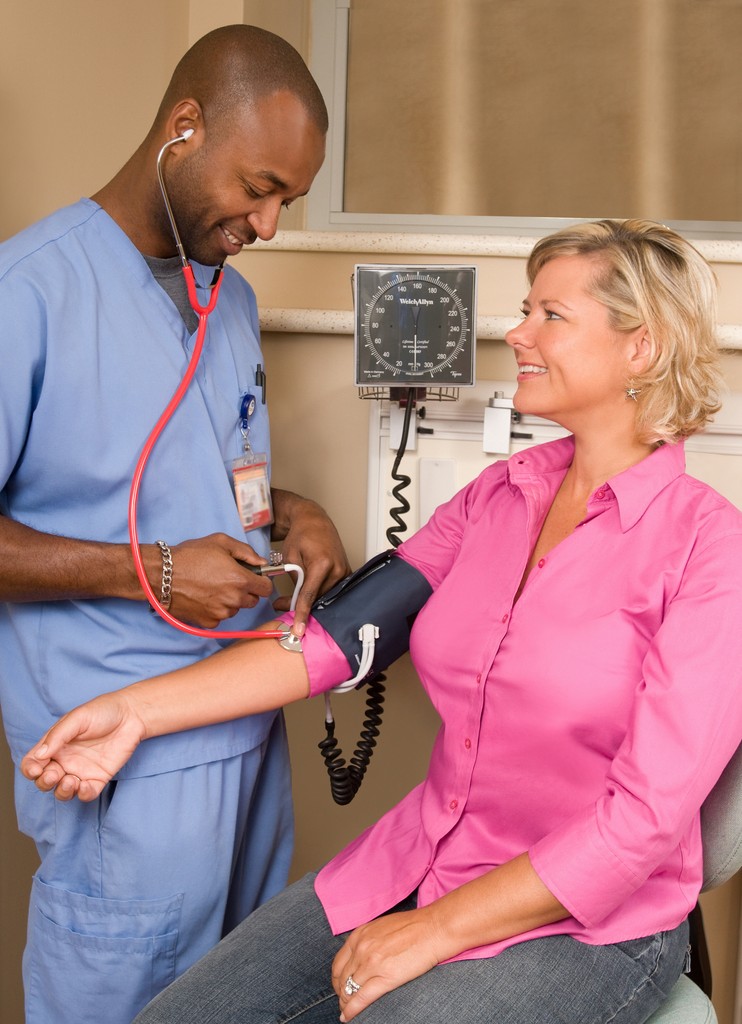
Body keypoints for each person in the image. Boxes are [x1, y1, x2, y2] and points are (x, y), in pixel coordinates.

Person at [22, 219, 742, 1024]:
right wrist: (135, 711)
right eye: (524, 309)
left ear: (639, 348)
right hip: (419, 858)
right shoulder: (500, 495)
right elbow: (334, 640)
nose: (517, 331)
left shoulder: (710, 548)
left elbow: (642, 822)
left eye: (550, 315)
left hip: (589, 923)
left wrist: (432, 931)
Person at [1, 24, 351, 1024]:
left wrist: (299, 512)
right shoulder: (26, 295)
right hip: (124, 760)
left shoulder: (226, 300)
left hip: (247, 733)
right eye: (260, 185)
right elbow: (155, 538)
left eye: (289, 199)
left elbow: (196, 475)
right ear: (184, 128)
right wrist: (152, 569)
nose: (272, 222)